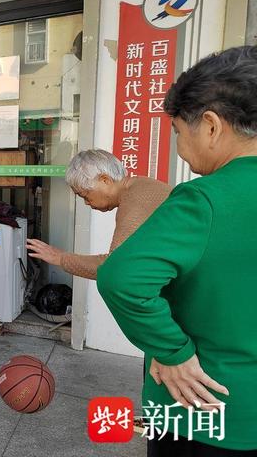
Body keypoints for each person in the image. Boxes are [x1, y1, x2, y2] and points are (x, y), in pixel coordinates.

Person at [98, 46, 257, 455]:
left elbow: (122, 278)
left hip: (201, 409)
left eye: (177, 133)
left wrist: (172, 350)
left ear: (210, 126)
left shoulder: (204, 199)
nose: (180, 148)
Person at [26, 149, 171, 279]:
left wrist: (60, 258)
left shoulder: (134, 199)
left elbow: (114, 266)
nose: (86, 203)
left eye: (85, 195)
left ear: (105, 180)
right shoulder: (140, 185)